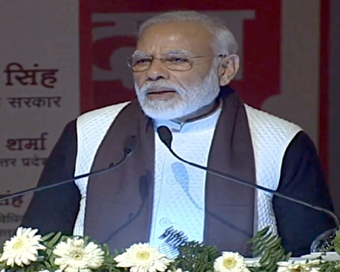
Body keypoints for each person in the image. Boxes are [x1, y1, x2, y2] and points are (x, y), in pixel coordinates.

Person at [22, 11, 335, 257]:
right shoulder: (86, 132)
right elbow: (37, 244)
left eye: (176, 59)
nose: (153, 72)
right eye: (142, 60)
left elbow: (313, 257)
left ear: (225, 69)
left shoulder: (281, 142)